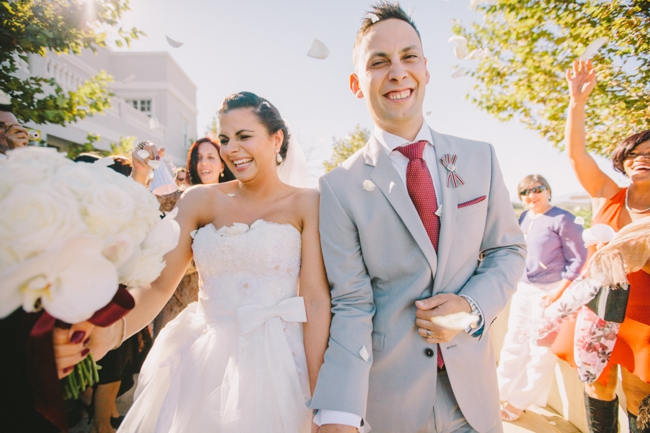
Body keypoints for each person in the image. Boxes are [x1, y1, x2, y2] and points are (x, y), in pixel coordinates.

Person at [56, 91, 331, 433]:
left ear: (277, 139)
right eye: (226, 139)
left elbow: (317, 301)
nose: (232, 149)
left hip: (285, 363)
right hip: (205, 360)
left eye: (245, 136)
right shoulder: (199, 200)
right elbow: (157, 286)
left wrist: (324, 399)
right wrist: (111, 333)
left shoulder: (308, 203)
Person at [310, 3, 526, 433]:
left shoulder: (479, 158)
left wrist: (471, 306)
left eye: (409, 57)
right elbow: (351, 305)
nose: (397, 72)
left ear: (427, 69)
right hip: (391, 404)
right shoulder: (338, 187)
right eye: (379, 62)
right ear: (357, 83)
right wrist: (338, 413)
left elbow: (508, 249)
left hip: (475, 401)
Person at [551, 59, 650, 433]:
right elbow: (577, 155)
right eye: (634, 154)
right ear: (623, 162)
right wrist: (577, 102)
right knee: (599, 385)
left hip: (645, 314)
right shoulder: (606, 194)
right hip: (598, 311)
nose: (642, 159)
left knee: (639, 393)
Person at [497, 174, 587, 421]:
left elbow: (579, 260)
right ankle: (499, 392)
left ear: (547, 191)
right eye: (524, 192)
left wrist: (557, 295)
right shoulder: (526, 217)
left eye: (537, 189)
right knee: (514, 342)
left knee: (541, 351)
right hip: (525, 290)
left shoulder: (563, 219)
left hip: (552, 292)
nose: (531, 196)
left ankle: (518, 402)